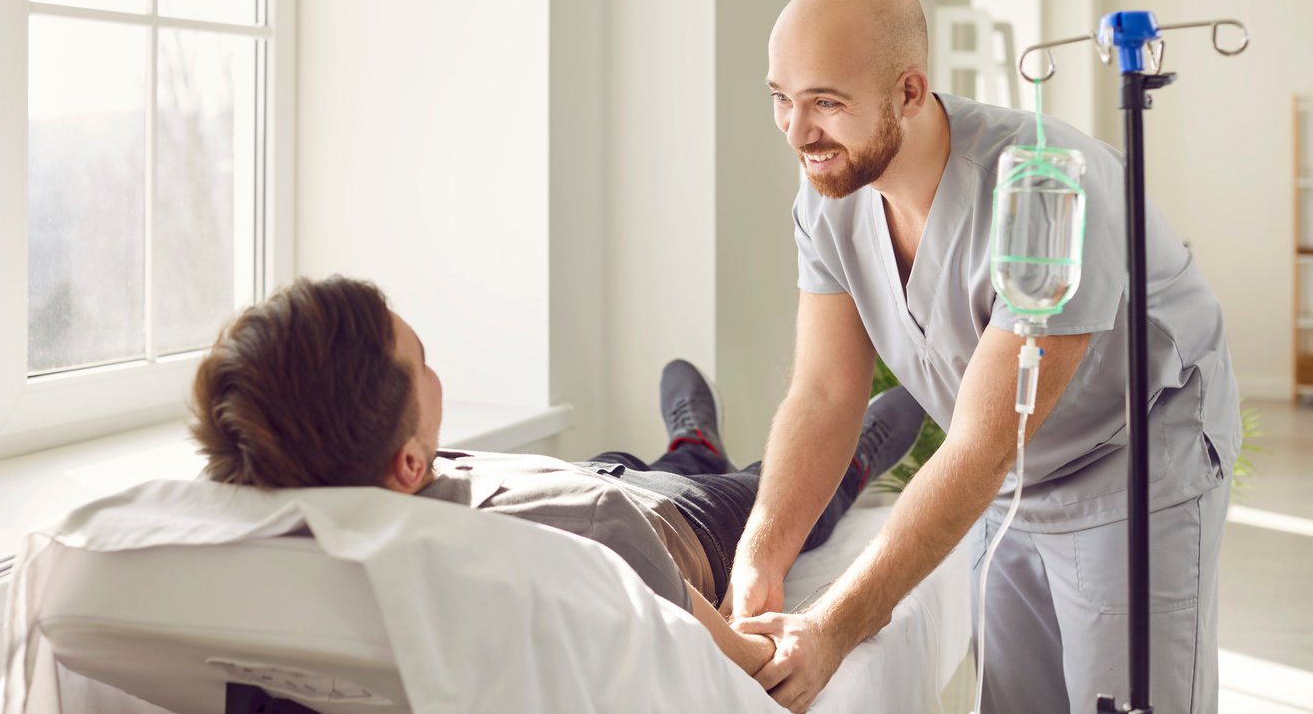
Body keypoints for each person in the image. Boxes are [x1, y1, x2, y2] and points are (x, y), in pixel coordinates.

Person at [726, 0, 1240, 713]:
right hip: (1013, 471)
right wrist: (759, 556)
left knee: (1121, 696)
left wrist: (830, 629)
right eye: (781, 99)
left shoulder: (1045, 191)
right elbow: (826, 392)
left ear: (909, 91)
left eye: (826, 104)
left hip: (1134, 454)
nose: (798, 132)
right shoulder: (830, 197)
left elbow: (980, 446)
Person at [188, 274, 925, 680]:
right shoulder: (590, 542)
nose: (436, 372)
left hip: (583, 479)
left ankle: (693, 437)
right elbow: (744, 658)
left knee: (660, 464)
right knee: (796, 487)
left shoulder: (338, 495)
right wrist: (833, 625)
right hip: (677, 519)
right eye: (426, 364)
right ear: (408, 464)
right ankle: (845, 452)